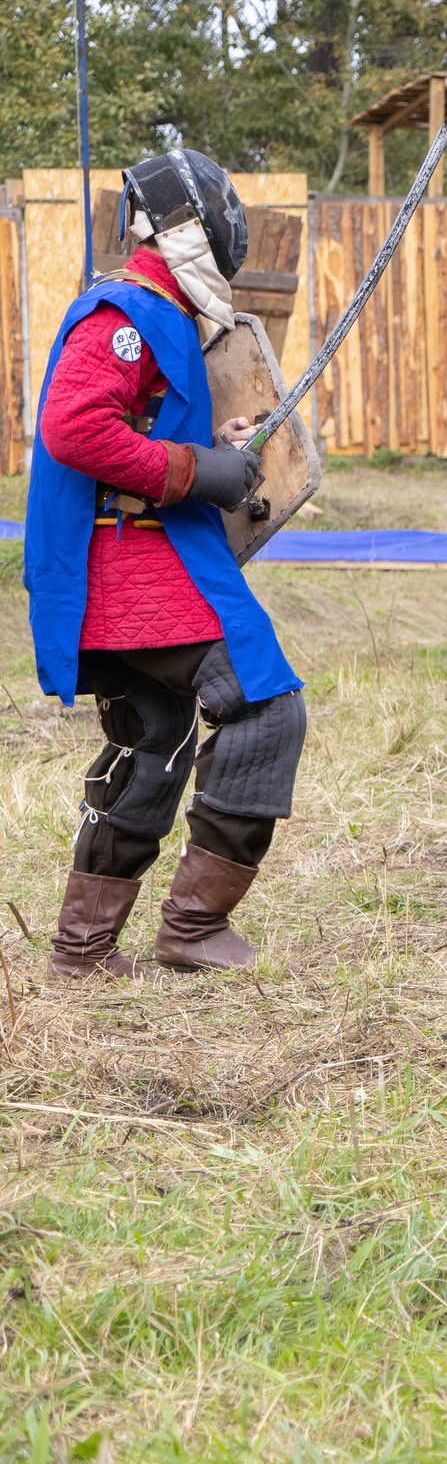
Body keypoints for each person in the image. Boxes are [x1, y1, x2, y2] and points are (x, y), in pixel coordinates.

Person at [26, 150, 307, 976]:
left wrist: (209, 448)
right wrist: (192, 471)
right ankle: (192, 929)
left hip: (134, 559)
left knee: (156, 738)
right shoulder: (127, 310)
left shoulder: (161, 311)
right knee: (266, 707)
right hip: (136, 565)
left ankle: (83, 952)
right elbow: (76, 429)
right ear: (188, 224)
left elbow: (133, 425)